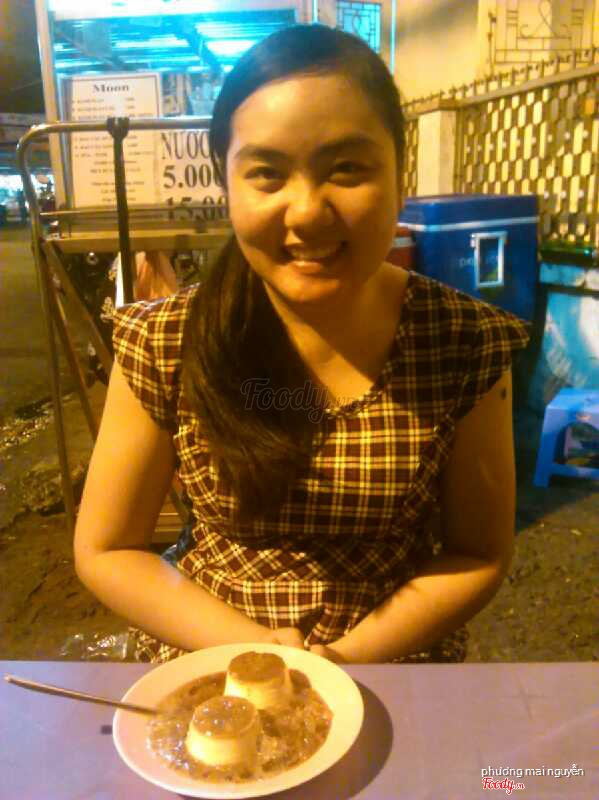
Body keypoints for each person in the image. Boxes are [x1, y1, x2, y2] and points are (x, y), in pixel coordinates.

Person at [74, 24, 529, 665]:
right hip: (216, 660)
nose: (308, 211)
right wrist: (261, 652)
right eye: (267, 174)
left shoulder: (464, 341)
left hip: (393, 665)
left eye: (347, 169)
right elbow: (109, 547)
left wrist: (345, 660)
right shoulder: (163, 341)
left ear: (400, 175)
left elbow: (478, 552)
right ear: (225, 183)